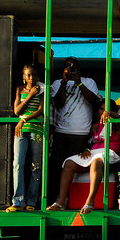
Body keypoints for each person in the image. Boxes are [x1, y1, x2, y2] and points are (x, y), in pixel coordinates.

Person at [47, 100, 120, 214]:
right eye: (101, 109)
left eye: (105, 109)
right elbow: (89, 143)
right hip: (94, 152)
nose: (103, 111)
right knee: (69, 163)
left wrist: (111, 114)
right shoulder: (95, 126)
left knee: (96, 161)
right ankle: (61, 201)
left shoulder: (116, 122)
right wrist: (86, 150)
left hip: (110, 153)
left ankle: (90, 201)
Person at [48, 57, 100, 204]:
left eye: (73, 67)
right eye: (67, 67)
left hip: (80, 133)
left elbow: (93, 101)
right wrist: (64, 82)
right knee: (58, 167)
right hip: (61, 131)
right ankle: (57, 198)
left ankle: (71, 199)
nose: (70, 70)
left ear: (79, 68)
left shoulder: (89, 82)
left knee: (74, 167)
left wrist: (79, 82)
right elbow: (59, 102)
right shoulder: (58, 83)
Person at [6, 64, 45, 212]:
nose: (31, 78)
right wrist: (29, 96)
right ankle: (18, 201)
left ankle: (31, 201)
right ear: (24, 77)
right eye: (28, 75)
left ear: (38, 77)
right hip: (20, 131)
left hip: (35, 130)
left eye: (34, 75)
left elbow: (41, 111)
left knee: (35, 166)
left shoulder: (41, 92)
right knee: (18, 164)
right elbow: (16, 111)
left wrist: (24, 120)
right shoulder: (19, 90)